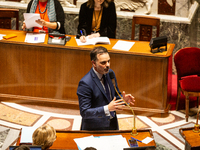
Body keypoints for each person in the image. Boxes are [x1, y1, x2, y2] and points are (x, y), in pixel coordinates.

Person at [77, 46, 135, 130]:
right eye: (103, 63)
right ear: (94, 63)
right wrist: (107, 109)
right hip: (95, 128)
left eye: (108, 61)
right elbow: (85, 112)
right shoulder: (85, 83)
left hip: (112, 124)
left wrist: (123, 100)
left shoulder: (110, 73)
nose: (107, 65)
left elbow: (115, 95)